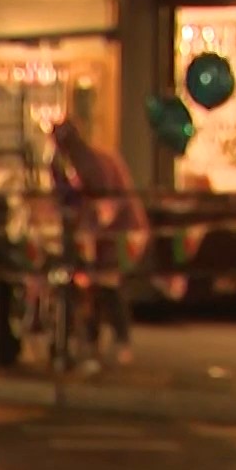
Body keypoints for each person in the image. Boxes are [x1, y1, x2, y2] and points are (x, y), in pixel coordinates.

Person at [50, 119, 149, 367]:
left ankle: (118, 341)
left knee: (106, 283)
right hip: (114, 230)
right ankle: (99, 340)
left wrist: (88, 231)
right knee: (96, 284)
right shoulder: (90, 159)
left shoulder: (90, 163)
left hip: (119, 232)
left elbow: (107, 208)